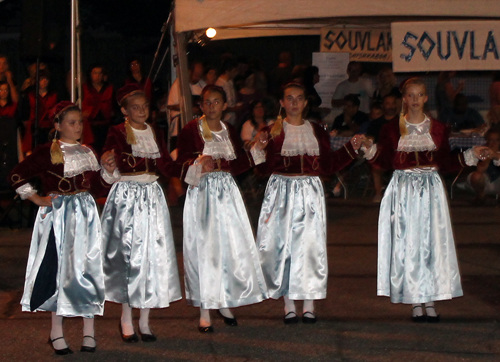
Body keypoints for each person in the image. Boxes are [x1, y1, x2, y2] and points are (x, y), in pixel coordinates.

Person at [362, 78, 489, 322]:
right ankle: (414, 301)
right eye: (411, 95)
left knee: (431, 243)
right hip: (403, 189)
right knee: (409, 243)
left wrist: (473, 154)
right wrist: (368, 148)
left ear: (425, 98)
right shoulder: (391, 129)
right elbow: (383, 160)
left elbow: (447, 162)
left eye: (420, 95)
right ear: (405, 98)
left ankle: (429, 299)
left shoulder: (438, 128)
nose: (415, 99)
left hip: (431, 189)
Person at [8, 101, 118, 355]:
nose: (78, 126)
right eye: (72, 122)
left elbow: (97, 188)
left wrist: (107, 173)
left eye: (80, 122)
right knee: (60, 272)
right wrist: (36, 198)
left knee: (87, 269)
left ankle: (88, 331)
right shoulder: (48, 151)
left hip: (86, 216)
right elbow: (17, 174)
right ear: (57, 125)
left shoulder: (87, 151)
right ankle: (56, 331)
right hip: (60, 217)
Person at [254, 83, 364, 324]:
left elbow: (328, 164)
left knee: (310, 247)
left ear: (305, 103)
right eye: (289, 98)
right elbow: (263, 169)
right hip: (281, 191)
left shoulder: (316, 130)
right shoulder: (272, 131)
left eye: (299, 98)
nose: (294, 103)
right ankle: (289, 303)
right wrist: (258, 150)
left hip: (309, 193)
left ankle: (309, 302)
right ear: (282, 103)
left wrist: (350, 148)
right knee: (284, 247)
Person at [174, 85, 268, 333]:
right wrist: (197, 163)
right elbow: (179, 163)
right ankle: (206, 307)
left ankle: (224, 300)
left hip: (227, 193)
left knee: (228, 247)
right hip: (203, 193)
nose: (212, 106)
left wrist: (256, 148)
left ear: (225, 105)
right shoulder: (190, 130)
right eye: (207, 102)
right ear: (201, 105)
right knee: (205, 250)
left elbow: (237, 164)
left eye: (217, 102)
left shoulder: (230, 131)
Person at [100, 84, 181, 343]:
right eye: (135, 107)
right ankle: (126, 316)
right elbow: (110, 162)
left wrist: (189, 166)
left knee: (150, 257)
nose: (141, 111)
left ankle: (144, 319)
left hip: (152, 197)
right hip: (127, 197)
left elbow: (166, 163)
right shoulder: (117, 132)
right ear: (124, 110)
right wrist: (108, 163)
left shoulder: (154, 131)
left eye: (144, 106)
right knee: (128, 258)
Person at [366, 94, 400, 202]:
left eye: (393, 103)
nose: (391, 106)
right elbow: (370, 140)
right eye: (388, 104)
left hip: (399, 155)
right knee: (375, 166)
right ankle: (378, 194)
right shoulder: (376, 123)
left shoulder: (402, 122)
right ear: (383, 106)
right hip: (382, 155)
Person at [167, 61, 204, 150]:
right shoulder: (179, 84)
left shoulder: (202, 85)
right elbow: (171, 106)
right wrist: (188, 109)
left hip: (198, 126)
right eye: (195, 75)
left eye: (199, 75)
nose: (197, 78)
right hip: (180, 126)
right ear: (190, 72)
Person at [22, 69, 58, 155]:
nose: (44, 82)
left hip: (49, 129)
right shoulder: (30, 95)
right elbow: (25, 112)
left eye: (46, 79)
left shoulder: (54, 95)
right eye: (41, 79)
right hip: (34, 129)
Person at [81, 64, 115, 151]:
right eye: (95, 73)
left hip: (106, 125)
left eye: (100, 73)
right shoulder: (84, 88)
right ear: (90, 75)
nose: (97, 76)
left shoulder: (110, 88)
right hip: (90, 126)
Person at [466, 129, 500, 203]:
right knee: (476, 176)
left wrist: (495, 155)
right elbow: (480, 169)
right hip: (486, 181)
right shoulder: (481, 151)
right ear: (487, 141)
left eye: (496, 140)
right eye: (491, 140)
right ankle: (481, 196)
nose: (494, 143)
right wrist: (489, 156)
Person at [215, 59, 242, 127]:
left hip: (232, 118)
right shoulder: (220, 84)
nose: (236, 73)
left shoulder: (230, 81)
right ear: (227, 70)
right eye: (234, 71)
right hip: (224, 119)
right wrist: (234, 109)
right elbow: (219, 105)